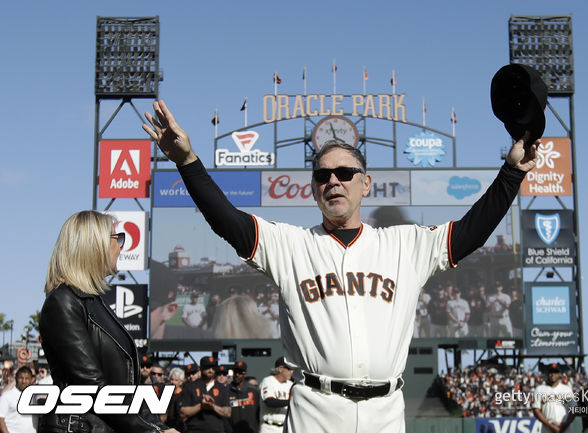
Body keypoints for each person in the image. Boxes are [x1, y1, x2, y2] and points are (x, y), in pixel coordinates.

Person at [143, 99, 540, 433]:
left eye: (345, 173)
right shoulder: (291, 245)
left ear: (365, 183)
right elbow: (226, 220)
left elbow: (472, 231)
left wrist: (511, 173)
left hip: (385, 412)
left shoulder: (405, 243)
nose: (334, 180)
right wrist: (188, 162)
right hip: (317, 408)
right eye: (323, 175)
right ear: (314, 188)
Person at [39, 210, 177, 433]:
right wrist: (153, 431)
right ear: (94, 246)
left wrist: (159, 426)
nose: (122, 247)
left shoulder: (94, 302)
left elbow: (125, 389)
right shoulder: (64, 302)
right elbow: (92, 388)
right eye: (117, 238)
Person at [180, 356, 231, 433]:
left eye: (213, 368)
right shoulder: (190, 386)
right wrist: (201, 406)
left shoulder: (222, 388)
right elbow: (183, 412)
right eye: (207, 367)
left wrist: (213, 406)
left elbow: (228, 412)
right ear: (201, 368)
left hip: (217, 430)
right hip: (195, 430)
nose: (210, 370)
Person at [532, 364, 576, 433]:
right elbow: (536, 410)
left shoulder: (567, 389)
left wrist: (565, 425)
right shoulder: (539, 389)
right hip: (547, 427)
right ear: (547, 374)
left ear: (560, 375)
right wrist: (550, 426)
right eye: (551, 372)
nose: (553, 375)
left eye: (556, 372)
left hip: (565, 427)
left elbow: (573, 409)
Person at [259, 357, 294, 433]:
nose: (291, 372)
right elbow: (270, 402)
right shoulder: (268, 381)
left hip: (285, 427)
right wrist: (291, 402)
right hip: (269, 427)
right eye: (289, 369)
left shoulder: (290, 384)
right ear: (280, 369)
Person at [0, 366, 36, 433]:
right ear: (16, 379)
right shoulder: (7, 396)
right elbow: (0, 420)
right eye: (21, 378)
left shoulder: (35, 396)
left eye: (27, 378)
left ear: (31, 380)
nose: (23, 381)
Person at [228, 362, 260, 433]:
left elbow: (259, 412)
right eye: (235, 372)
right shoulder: (226, 391)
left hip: (251, 430)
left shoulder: (254, 391)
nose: (237, 375)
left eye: (240, 373)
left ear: (245, 374)